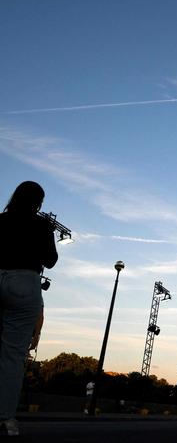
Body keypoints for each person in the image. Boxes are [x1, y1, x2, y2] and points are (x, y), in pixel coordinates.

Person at [0, 181, 58, 437]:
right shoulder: (42, 225)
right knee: (12, 356)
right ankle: (5, 419)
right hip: (24, 281)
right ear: (39, 202)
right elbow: (51, 260)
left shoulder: (0, 220)